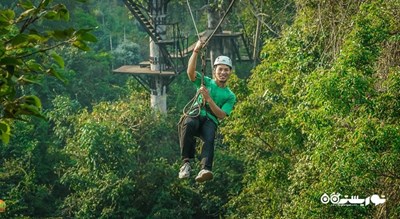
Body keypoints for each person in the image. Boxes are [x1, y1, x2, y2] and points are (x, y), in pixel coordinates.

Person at [178, 40, 236, 183]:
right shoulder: (206, 81)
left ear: (230, 72)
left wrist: (209, 99)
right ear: (214, 70)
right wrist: (196, 51)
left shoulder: (230, 95)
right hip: (197, 113)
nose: (223, 73)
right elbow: (190, 73)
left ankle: (205, 168)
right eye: (220, 69)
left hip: (210, 119)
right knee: (188, 124)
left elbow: (222, 115)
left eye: (226, 70)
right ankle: (186, 162)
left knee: (209, 138)